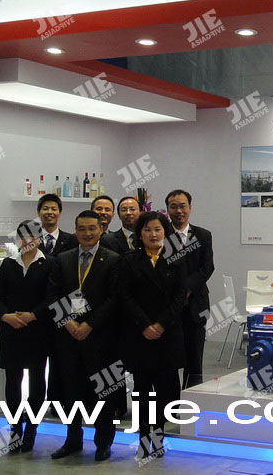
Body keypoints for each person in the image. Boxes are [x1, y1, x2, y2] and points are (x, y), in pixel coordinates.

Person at [47, 210, 121, 462]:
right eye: (81, 229)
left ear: (100, 229)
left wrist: (89, 325)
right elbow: (53, 295)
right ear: (75, 230)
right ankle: (72, 439)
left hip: (101, 338)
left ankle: (103, 442)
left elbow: (114, 298)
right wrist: (69, 324)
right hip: (69, 338)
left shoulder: (113, 259)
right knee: (71, 391)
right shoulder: (62, 259)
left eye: (92, 228)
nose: (87, 233)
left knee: (104, 392)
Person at [118, 211, 187, 460]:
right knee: (142, 391)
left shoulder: (177, 259)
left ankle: (158, 438)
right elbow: (125, 296)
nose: (153, 234)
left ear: (165, 232)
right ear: (140, 234)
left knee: (164, 391)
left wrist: (160, 325)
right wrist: (146, 325)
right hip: (140, 335)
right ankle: (143, 439)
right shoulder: (129, 260)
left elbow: (180, 297)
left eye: (158, 229)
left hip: (167, 335)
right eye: (147, 230)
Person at [0, 220, 55, 453]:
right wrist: (5, 316)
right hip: (12, 331)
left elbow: (52, 298)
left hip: (38, 331)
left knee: (37, 381)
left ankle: (31, 429)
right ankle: (15, 428)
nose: (28, 240)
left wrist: (33, 315)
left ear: (39, 239)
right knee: (12, 381)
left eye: (32, 236)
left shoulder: (49, 263)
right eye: (23, 236)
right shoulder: (8, 263)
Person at [166, 189, 214, 389]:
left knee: (194, 358)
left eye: (182, 206)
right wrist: (178, 293)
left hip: (196, 305)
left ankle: (192, 400)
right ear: (168, 210)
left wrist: (186, 289)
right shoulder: (161, 234)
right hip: (168, 307)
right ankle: (170, 401)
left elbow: (207, 267)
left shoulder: (203, 235)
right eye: (173, 207)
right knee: (168, 360)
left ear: (190, 208)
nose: (179, 211)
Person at [36, 193, 78, 415]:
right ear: (39, 212)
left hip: (62, 306)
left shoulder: (71, 239)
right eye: (45, 208)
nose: (49, 212)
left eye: (53, 208)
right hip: (38, 306)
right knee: (38, 359)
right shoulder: (31, 239)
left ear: (60, 213)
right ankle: (37, 401)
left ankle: (57, 400)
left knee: (60, 358)